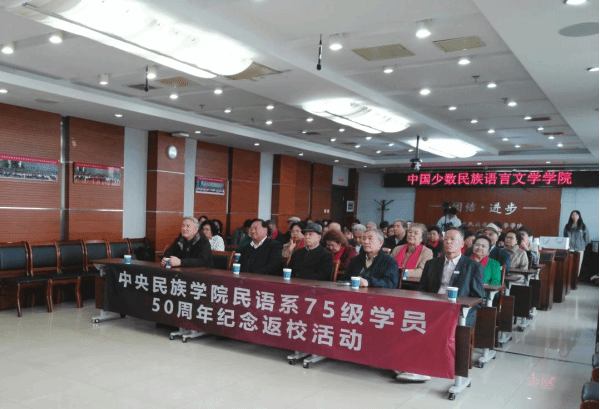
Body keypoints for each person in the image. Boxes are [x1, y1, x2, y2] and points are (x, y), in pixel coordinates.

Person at [396, 228, 484, 384]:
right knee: (407, 322)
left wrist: (461, 310)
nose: (448, 242)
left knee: (438, 329)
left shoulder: (473, 267)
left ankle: (424, 370)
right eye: (446, 239)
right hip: (433, 309)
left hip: (458, 313)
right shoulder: (432, 264)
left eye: (452, 239)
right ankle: (406, 363)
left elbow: (478, 298)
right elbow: (422, 290)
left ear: (462, 244)